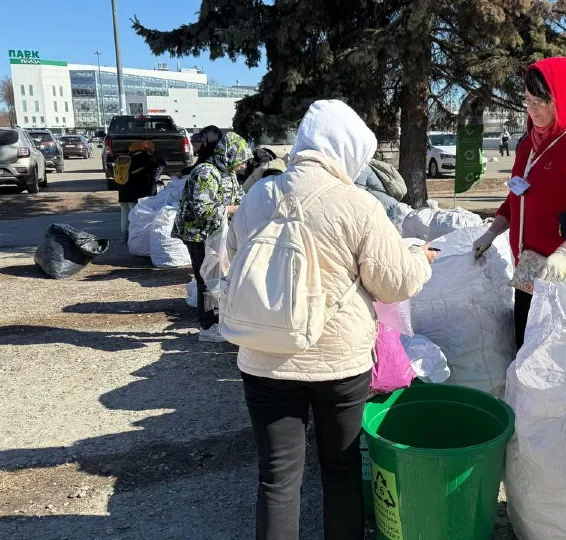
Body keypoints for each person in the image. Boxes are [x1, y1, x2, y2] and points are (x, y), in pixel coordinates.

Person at [228, 99, 435, 540]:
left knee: (277, 477)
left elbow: (235, 255)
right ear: (347, 151)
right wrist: (421, 258)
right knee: (339, 467)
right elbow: (394, 283)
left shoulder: (259, 195)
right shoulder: (356, 205)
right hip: (338, 363)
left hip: (264, 355)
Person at [473, 57, 566, 349]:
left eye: (540, 101)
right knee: (527, 347)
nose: (532, 110)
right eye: (528, 101)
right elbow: (518, 196)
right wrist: (493, 231)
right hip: (531, 264)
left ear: (562, 97)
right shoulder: (529, 142)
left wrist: (564, 253)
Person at [173, 129, 249, 342]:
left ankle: (218, 320)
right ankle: (207, 327)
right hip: (198, 235)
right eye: (240, 160)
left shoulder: (228, 173)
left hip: (216, 233)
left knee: (219, 279)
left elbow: (240, 198)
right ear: (229, 154)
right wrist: (231, 210)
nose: (243, 165)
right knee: (207, 279)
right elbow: (202, 209)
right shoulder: (206, 172)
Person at [117, 140, 165, 243]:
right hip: (134, 195)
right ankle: (134, 239)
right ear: (144, 150)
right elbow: (155, 170)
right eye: (149, 151)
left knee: (124, 216)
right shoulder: (143, 160)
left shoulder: (126, 160)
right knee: (135, 219)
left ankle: (123, 237)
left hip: (123, 193)